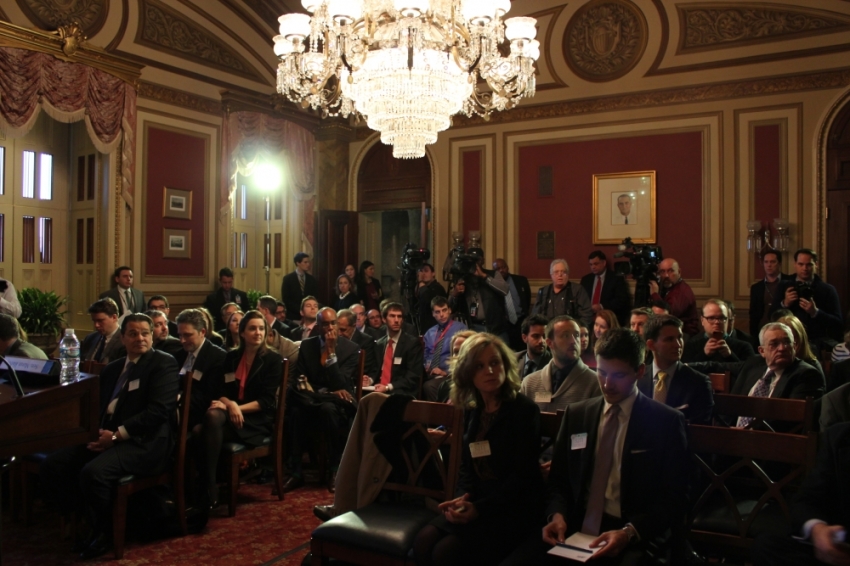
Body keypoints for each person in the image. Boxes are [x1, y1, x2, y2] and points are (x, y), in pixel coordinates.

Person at [503, 328, 689, 566]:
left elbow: (675, 496)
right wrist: (557, 515)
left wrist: (629, 532)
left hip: (634, 530)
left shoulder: (665, 421)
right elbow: (559, 480)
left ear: (639, 371)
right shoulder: (578, 414)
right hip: (575, 524)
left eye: (619, 376)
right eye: (601, 372)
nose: (607, 384)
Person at [40, 314, 179, 559]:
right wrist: (93, 434)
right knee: (55, 463)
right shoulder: (115, 367)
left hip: (144, 443)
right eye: (133, 334)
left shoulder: (162, 364)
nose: (140, 338)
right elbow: (98, 406)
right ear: (123, 338)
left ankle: (105, 532)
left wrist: (116, 436)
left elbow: (158, 412)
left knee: (94, 473)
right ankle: (80, 519)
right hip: (106, 435)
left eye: (145, 333)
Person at [413, 333, 544, 566]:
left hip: (509, 509)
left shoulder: (524, 411)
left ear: (505, 364)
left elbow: (523, 478)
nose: (490, 371)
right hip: (476, 502)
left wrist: (478, 509)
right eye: (480, 366)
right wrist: (460, 499)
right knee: (423, 540)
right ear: (467, 373)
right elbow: (466, 467)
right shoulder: (473, 409)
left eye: (495, 363)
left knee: (445, 552)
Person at [197, 311, 283, 509]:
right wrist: (230, 404)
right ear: (242, 332)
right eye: (252, 328)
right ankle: (209, 486)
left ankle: (208, 488)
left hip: (257, 420)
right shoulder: (232, 357)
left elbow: (266, 401)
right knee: (204, 423)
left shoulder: (272, 360)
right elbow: (221, 391)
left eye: (261, 328)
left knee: (201, 429)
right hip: (233, 414)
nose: (258, 333)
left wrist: (236, 408)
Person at [752, 422, 850, 566]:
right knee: (766, 546)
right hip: (843, 551)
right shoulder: (838, 436)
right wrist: (818, 530)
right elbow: (807, 499)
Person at [286, 308, 360, 493]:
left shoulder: (351, 349)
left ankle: (334, 470)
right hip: (312, 400)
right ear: (318, 327)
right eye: (325, 324)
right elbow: (301, 381)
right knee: (295, 410)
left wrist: (331, 352)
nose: (329, 327)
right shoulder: (307, 345)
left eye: (333, 323)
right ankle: (296, 472)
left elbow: (340, 383)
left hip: (337, 405)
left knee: (328, 410)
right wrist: (326, 394)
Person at [731, 322, 825, 428]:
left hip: (773, 440)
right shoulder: (752, 364)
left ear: (794, 346)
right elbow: (732, 405)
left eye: (786, 342)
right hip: (733, 435)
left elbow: (789, 421)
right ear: (762, 351)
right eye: (774, 344)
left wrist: (748, 431)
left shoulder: (806, 375)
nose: (782, 348)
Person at [641, 314, 714, 424]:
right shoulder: (636, 377)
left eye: (680, 337)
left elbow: (700, 429)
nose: (678, 344)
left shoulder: (699, 383)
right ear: (651, 345)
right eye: (669, 339)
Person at [521, 315, 600, 413]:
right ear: (549, 343)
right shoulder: (529, 383)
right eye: (566, 335)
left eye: (576, 335)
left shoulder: (595, 383)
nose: (573, 341)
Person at [771, 248, 843, 352]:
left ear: (816, 265)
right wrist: (784, 303)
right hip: (787, 341)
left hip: (816, 342)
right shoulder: (784, 286)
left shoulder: (827, 290)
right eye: (801, 264)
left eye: (809, 265)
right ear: (795, 264)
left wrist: (815, 312)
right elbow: (771, 315)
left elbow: (838, 323)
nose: (805, 268)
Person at [173, 308, 227, 430]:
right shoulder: (179, 355)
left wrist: (177, 400)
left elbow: (209, 395)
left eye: (187, 335)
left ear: (202, 332)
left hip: (198, 413)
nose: (182, 340)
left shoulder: (218, 357)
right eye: (180, 335)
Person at [365, 302, 423, 397]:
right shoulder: (379, 343)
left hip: (400, 390)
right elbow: (375, 370)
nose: (396, 320)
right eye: (392, 316)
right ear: (384, 319)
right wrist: (369, 380)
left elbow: (413, 376)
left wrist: (388, 387)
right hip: (378, 388)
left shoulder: (412, 343)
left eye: (399, 317)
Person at [449, 258, 510, 338]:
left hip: (496, 329)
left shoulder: (493, 274)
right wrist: (455, 294)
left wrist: (484, 276)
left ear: (480, 262)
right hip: (474, 328)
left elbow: (505, 290)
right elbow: (449, 309)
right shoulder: (463, 280)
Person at [681, 300, 755, 363]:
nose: (717, 322)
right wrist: (704, 354)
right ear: (702, 320)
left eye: (722, 318)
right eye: (711, 318)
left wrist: (729, 355)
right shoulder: (691, 345)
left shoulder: (744, 347)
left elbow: (750, 374)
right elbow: (685, 372)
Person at [422, 297, 467, 401]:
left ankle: (440, 415)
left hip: (449, 375)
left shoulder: (460, 329)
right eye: (437, 312)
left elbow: (464, 357)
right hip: (431, 373)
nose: (441, 315)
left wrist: (445, 372)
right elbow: (426, 355)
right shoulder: (429, 333)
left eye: (444, 310)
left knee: (429, 386)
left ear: (449, 310)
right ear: (433, 314)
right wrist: (427, 366)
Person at [532, 259, 593, 328]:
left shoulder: (577, 290)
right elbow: (535, 316)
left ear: (568, 274)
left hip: (570, 332)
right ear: (551, 275)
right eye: (556, 272)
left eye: (563, 272)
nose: (560, 275)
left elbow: (586, 315)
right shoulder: (543, 292)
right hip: (547, 332)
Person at [648, 258, 699, 336]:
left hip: (685, 335)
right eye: (662, 271)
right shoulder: (670, 288)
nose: (666, 275)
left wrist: (654, 294)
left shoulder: (682, 291)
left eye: (670, 271)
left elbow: (668, 315)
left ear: (679, 272)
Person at [580, 251, 632, 326]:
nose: (593, 267)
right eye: (591, 264)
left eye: (596, 264)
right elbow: (581, 300)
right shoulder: (586, 280)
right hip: (588, 318)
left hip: (608, 319)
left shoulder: (616, 278)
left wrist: (601, 306)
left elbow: (622, 300)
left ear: (604, 263)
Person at [749, 251, 793, 338]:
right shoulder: (756, 287)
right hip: (763, 328)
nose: (769, 265)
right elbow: (753, 313)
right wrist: (753, 333)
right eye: (766, 262)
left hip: (785, 326)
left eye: (772, 262)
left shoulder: (790, 282)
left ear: (779, 263)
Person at [492, 258, 532, 351]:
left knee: (523, 349)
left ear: (508, 267)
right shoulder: (492, 285)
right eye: (498, 269)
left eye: (504, 267)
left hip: (521, 321)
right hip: (504, 324)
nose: (501, 270)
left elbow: (527, 298)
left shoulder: (521, 280)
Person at [777, 314, 826, 379]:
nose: (782, 347)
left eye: (789, 340)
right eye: (777, 341)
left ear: (801, 338)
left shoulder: (811, 369)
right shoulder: (769, 364)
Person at [79, 298, 126, 364]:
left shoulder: (124, 341)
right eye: (94, 321)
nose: (96, 325)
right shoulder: (90, 338)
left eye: (100, 321)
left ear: (114, 317)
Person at [255, 295, 300, 362]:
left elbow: (283, 354)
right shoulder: (258, 328)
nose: (256, 312)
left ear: (266, 311)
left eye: (258, 309)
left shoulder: (284, 329)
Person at [336, 308, 378, 379]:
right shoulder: (335, 339)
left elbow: (364, 368)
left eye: (343, 330)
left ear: (354, 326)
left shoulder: (366, 341)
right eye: (337, 329)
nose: (339, 333)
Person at [281, 253, 320, 322]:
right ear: (298, 263)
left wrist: (307, 311)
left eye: (308, 262)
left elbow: (315, 297)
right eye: (305, 262)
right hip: (293, 316)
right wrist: (300, 311)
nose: (308, 264)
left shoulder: (312, 279)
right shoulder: (288, 279)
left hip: (309, 316)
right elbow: (286, 299)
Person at [416, 263, 448, 334]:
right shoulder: (423, 288)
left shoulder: (437, 288)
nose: (423, 274)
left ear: (433, 274)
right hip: (425, 328)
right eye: (421, 271)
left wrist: (421, 282)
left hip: (435, 328)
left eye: (426, 271)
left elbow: (427, 299)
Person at [517, 314, 551, 379]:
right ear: (524, 338)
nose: (542, 341)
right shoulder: (515, 359)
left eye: (544, 336)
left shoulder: (553, 363)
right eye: (536, 336)